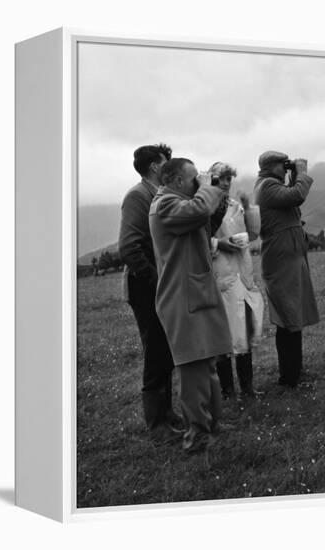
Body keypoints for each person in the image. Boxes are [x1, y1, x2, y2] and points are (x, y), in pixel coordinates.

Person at [149, 158, 233, 452]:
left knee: (207, 363)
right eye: (192, 177)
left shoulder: (181, 203)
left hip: (195, 294)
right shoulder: (165, 206)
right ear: (176, 181)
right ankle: (197, 435)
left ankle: (211, 425)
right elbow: (199, 209)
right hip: (183, 299)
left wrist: (219, 189)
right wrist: (209, 186)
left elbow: (206, 218)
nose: (198, 180)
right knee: (194, 370)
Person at [118, 143, 183, 440]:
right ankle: (156, 423)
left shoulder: (158, 194)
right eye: (166, 161)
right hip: (146, 284)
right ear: (156, 167)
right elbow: (129, 246)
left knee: (166, 349)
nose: (169, 165)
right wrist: (155, 279)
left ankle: (167, 413)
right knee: (155, 349)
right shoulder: (137, 196)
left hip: (160, 281)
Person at [253, 151, 319, 388]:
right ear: (272, 167)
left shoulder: (271, 185)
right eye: (284, 165)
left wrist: (293, 175)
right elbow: (297, 195)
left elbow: (290, 199)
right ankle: (289, 377)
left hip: (288, 258)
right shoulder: (267, 186)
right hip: (282, 261)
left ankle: (295, 371)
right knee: (288, 318)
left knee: (294, 317)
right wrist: (301, 173)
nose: (286, 167)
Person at [207, 161, 265, 400]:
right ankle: (228, 390)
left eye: (228, 179)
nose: (224, 184)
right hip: (221, 275)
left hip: (242, 272)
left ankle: (248, 387)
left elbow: (252, 234)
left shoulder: (234, 205)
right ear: (211, 180)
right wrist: (219, 243)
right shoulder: (204, 208)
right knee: (224, 337)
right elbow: (198, 239)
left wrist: (248, 207)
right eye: (219, 179)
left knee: (246, 333)